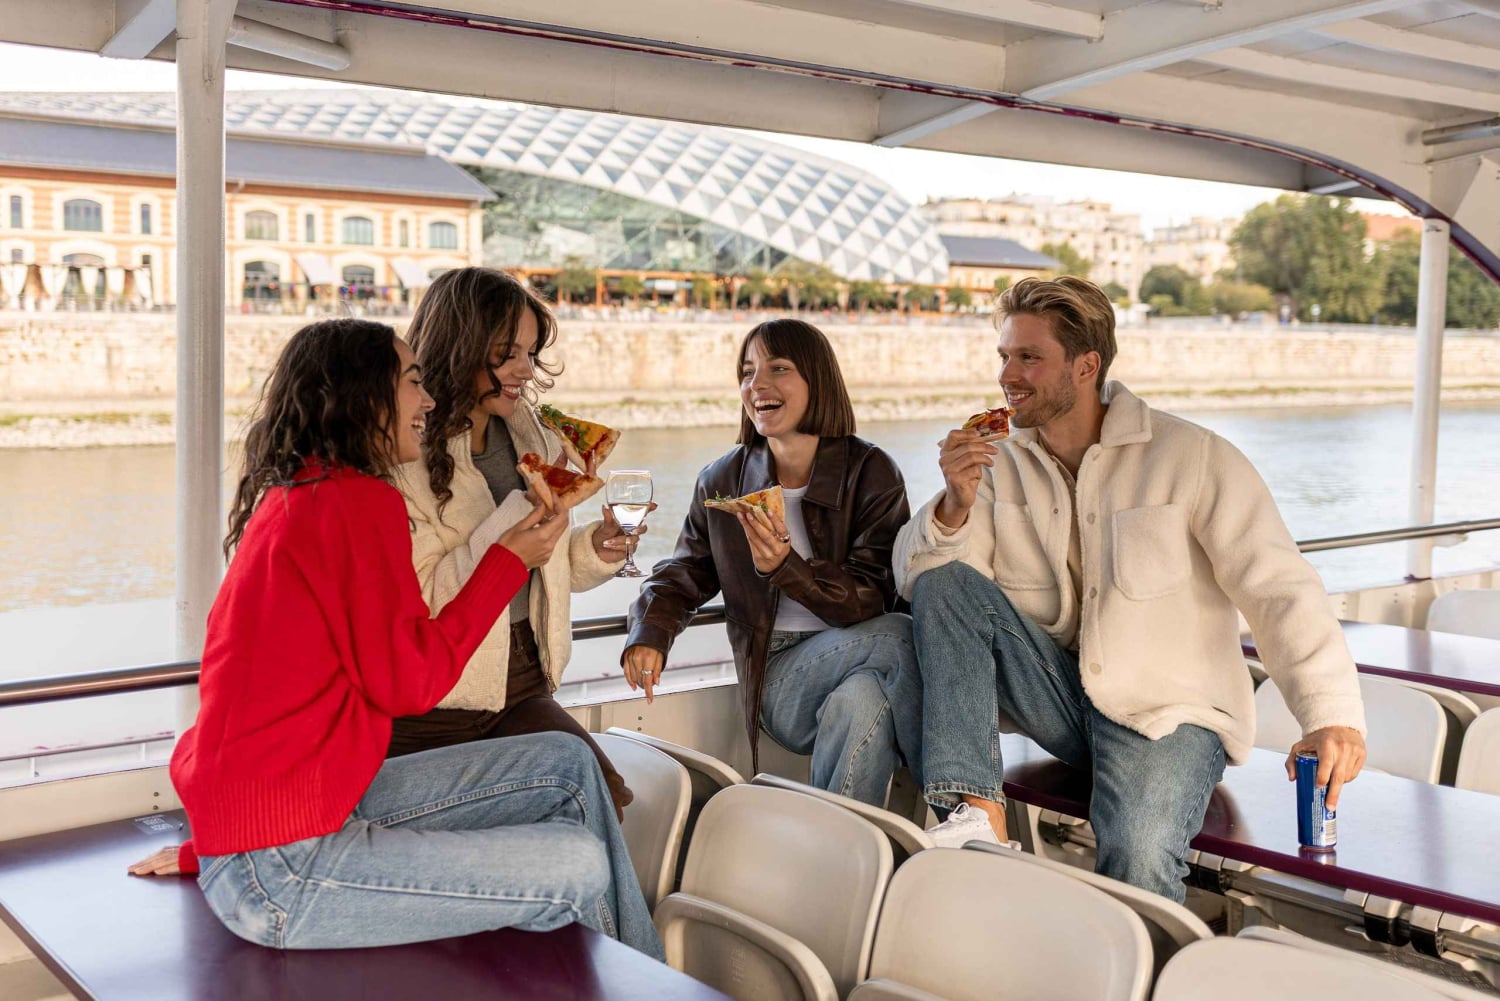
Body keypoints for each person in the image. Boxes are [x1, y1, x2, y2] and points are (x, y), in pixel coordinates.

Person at [127, 318, 662, 956]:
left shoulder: (297, 496)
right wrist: (507, 563)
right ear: (365, 394)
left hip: (281, 831)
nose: (427, 400)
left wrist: (213, 844)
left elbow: (242, 699)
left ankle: (639, 978)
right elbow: (410, 683)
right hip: (282, 874)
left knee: (566, 761)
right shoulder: (359, 503)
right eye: (412, 382)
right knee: (578, 864)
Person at [896, 276, 1367, 902]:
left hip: (1173, 715)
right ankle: (975, 809)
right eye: (1004, 356)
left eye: (1029, 357)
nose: (1008, 374)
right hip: (1065, 699)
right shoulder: (995, 459)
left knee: (1139, 853)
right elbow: (920, 580)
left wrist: (1332, 717)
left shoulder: (1192, 456)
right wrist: (954, 506)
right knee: (945, 583)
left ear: (1086, 365)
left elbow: (1279, 587)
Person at [623, 318, 921, 806]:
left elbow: (871, 598)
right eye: (746, 371)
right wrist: (651, 632)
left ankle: (843, 858)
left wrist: (787, 568)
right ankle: (959, 800)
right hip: (776, 671)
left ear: (817, 380)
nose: (757, 384)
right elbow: (684, 573)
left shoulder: (871, 472)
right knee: (904, 634)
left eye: (778, 368)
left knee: (862, 700)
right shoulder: (723, 477)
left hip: (861, 651)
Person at [388, 267, 639, 819]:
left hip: (522, 678)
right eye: (507, 353)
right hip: (436, 699)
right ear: (460, 347)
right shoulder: (403, 453)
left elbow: (538, 565)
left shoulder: (528, 431)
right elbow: (424, 595)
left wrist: (594, 548)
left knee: (604, 803)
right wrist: (524, 510)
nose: (525, 370)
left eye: (530, 352)